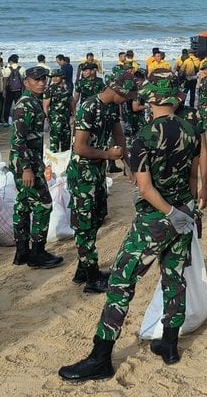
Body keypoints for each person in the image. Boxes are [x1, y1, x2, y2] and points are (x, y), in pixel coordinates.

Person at [58, 70, 207, 382]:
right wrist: (187, 210)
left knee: (121, 283)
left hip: (156, 219)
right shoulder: (192, 130)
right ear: (175, 99)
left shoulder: (145, 137)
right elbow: (194, 176)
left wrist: (169, 212)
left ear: (151, 100)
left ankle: (101, 357)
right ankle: (169, 343)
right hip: (183, 212)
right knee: (174, 277)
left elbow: (145, 188)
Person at [66, 70, 138, 294]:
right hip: (82, 174)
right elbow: (80, 147)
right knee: (85, 226)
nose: (128, 100)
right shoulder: (89, 107)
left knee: (96, 218)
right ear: (116, 90)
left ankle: (83, 269)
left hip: (96, 173)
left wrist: (127, 164)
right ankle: (92, 278)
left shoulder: (111, 108)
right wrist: (108, 155)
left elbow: (119, 136)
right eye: (126, 96)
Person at [9, 66, 65, 270]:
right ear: (26, 82)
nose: (42, 82)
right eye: (37, 79)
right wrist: (26, 168)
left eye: (44, 79)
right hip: (26, 163)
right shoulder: (25, 105)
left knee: (23, 205)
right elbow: (18, 139)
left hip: (28, 161)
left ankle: (22, 251)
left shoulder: (33, 101)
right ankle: (37, 253)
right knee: (44, 204)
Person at [43, 69, 73, 153]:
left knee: (66, 142)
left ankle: (64, 161)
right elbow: (45, 105)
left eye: (56, 76)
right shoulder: (49, 90)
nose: (54, 78)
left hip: (66, 118)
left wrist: (74, 114)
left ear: (61, 77)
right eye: (53, 77)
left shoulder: (67, 88)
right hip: (55, 119)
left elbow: (71, 101)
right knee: (54, 142)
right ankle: (54, 162)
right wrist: (47, 117)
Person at [1, 54, 25, 124]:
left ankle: (6, 121)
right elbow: (24, 81)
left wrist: (4, 90)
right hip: (19, 90)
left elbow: (5, 80)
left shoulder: (7, 69)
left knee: (7, 106)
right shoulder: (22, 69)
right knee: (19, 106)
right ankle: (19, 120)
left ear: (10, 61)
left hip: (9, 90)